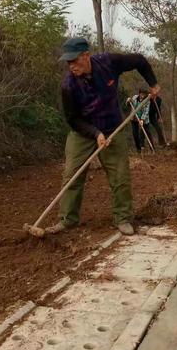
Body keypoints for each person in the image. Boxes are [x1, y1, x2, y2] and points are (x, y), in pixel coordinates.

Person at [46, 37, 160, 236]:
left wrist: (153, 84)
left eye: (75, 61)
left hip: (112, 127)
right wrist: (95, 133)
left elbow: (139, 60)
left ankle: (123, 218)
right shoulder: (68, 86)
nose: (71, 66)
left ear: (86, 56)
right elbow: (72, 120)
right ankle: (67, 220)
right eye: (68, 62)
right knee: (71, 175)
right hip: (83, 131)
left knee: (120, 176)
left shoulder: (108, 62)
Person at [129, 88, 154, 153]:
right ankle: (138, 149)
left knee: (148, 133)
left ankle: (152, 148)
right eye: (141, 94)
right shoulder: (134, 97)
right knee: (135, 134)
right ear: (139, 93)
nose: (142, 95)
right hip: (134, 118)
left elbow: (146, 111)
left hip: (144, 120)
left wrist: (142, 119)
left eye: (144, 94)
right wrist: (128, 101)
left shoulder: (147, 101)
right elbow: (129, 104)